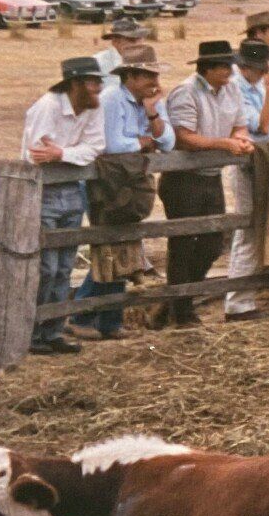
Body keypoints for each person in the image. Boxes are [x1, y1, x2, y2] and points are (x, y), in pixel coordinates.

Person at [68, 47, 173, 342]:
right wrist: (142, 142)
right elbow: (111, 143)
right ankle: (84, 315)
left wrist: (152, 113)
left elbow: (168, 140)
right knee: (111, 247)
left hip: (128, 181)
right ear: (131, 76)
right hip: (107, 183)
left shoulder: (150, 102)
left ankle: (105, 320)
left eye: (156, 74)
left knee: (121, 247)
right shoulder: (112, 100)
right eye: (149, 75)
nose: (155, 81)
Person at [159, 41, 251, 328]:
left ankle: (174, 303)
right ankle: (181, 310)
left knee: (212, 243)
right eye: (224, 66)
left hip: (210, 175)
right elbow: (184, 137)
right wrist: (224, 143)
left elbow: (239, 122)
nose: (230, 71)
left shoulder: (231, 89)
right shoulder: (186, 92)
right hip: (183, 178)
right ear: (207, 68)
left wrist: (239, 137)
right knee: (183, 243)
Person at [22, 58, 106, 354]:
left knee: (64, 265)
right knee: (46, 265)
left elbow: (96, 147)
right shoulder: (49, 106)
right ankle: (33, 332)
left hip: (72, 189)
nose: (99, 87)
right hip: (43, 190)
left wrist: (61, 153)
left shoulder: (93, 108)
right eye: (93, 81)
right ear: (75, 83)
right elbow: (37, 152)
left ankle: (53, 331)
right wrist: (69, 154)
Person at [220, 41, 269, 322]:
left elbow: (265, 129)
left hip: (259, 158)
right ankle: (237, 302)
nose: (264, 74)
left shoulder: (254, 86)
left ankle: (244, 297)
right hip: (247, 163)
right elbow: (259, 126)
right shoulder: (239, 88)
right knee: (248, 230)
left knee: (256, 227)